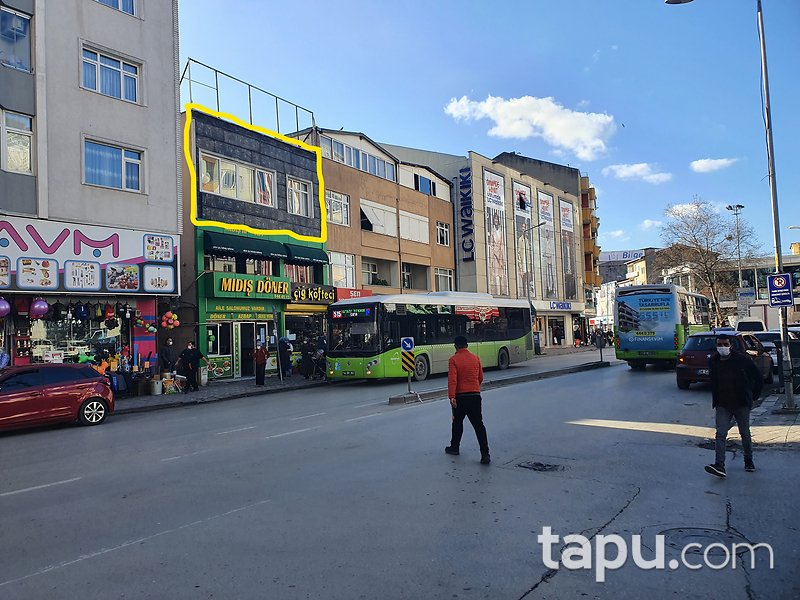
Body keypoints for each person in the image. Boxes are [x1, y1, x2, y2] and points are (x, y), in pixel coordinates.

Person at [705, 334, 763, 478]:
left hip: (741, 403)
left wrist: (753, 396)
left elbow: (757, 377)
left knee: (744, 433)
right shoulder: (714, 361)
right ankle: (719, 465)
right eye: (720, 344)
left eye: (725, 344)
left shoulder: (742, 360)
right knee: (720, 434)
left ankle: (748, 460)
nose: (722, 347)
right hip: (722, 404)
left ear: (730, 345)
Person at [445, 335, 490, 465]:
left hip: (460, 397)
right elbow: (480, 377)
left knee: (457, 423)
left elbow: (452, 379)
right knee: (479, 425)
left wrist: (452, 396)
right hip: (475, 396)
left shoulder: (453, 359)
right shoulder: (476, 358)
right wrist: (474, 387)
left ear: (455, 346)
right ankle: (485, 454)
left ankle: (454, 447)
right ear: (467, 346)